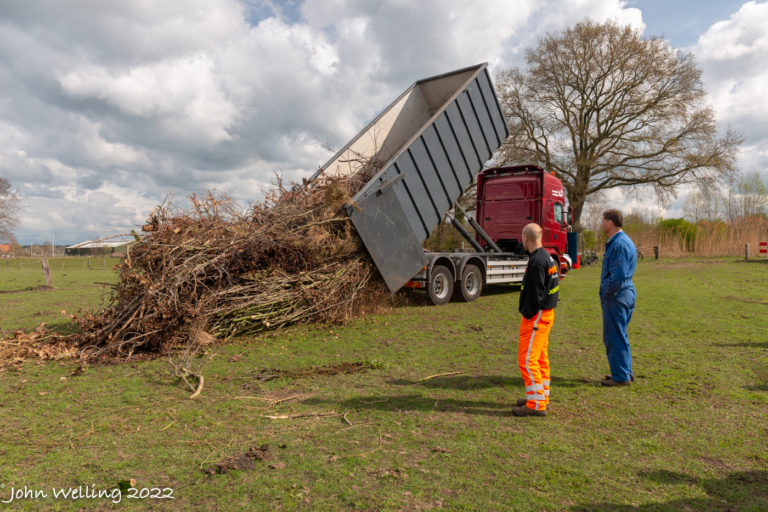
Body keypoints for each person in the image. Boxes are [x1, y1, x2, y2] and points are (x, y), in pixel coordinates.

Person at [512, 223, 559, 417]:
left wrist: (527, 313)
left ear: (525, 238)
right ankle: (541, 396)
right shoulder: (547, 258)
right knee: (539, 358)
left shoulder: (537, 262)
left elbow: (534, 295)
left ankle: (535, 404)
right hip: (546, 314)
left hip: (536, 317)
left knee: (527, 359)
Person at [599, 209, 637, 387]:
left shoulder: (619, 245)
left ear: (610, 223)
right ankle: (624, 371)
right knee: (620, 334)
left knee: (614, 336)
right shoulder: (623, 241)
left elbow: (618, 276)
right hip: (625, 293)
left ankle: (621, 377)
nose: (601, 224)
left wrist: (606, 292)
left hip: (617, 296)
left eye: (603, 221)